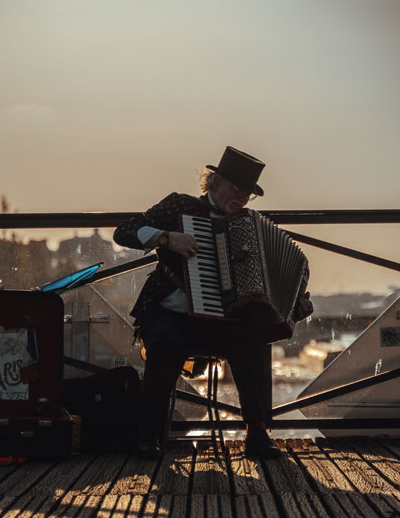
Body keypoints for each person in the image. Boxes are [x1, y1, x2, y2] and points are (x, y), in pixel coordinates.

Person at [113, 146, 313, 459]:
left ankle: (257, 433)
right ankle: (148, 435)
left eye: (249, 194)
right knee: (165, 341)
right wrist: (167, 238)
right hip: (167, 311)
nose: (244, 199)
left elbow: (275, 283)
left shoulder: (249, 227)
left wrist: (295, 306)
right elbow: (123, 232)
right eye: (238, 189)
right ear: (215, 182)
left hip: (221, 321)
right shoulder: (180, 205)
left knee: (253, 338)